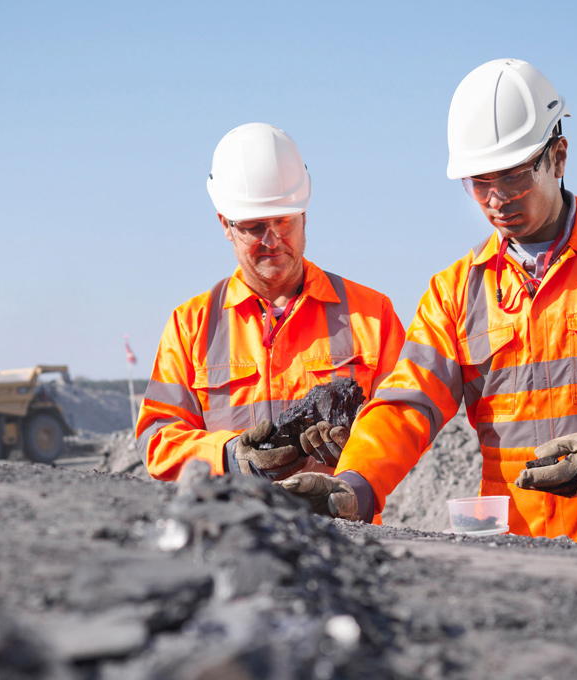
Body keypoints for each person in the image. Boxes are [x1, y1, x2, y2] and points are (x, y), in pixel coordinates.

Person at [280, 59, 577, 555]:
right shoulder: (457, 291)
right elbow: (406, 406)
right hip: (517, 563)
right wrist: (357, 483)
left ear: (558, 157)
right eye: (479, 183)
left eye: (514, 177)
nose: (497, 199)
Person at [136, 123, 406, 482]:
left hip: (339, 528)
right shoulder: (192, 325)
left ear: (304, 214)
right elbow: (156, 437)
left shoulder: (373, 315)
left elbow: (406, 421)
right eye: (254, 226)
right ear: (226, 225)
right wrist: (229, 457)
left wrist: (360, 449)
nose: (273, 239)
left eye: (283, 220)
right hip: (234, 530)